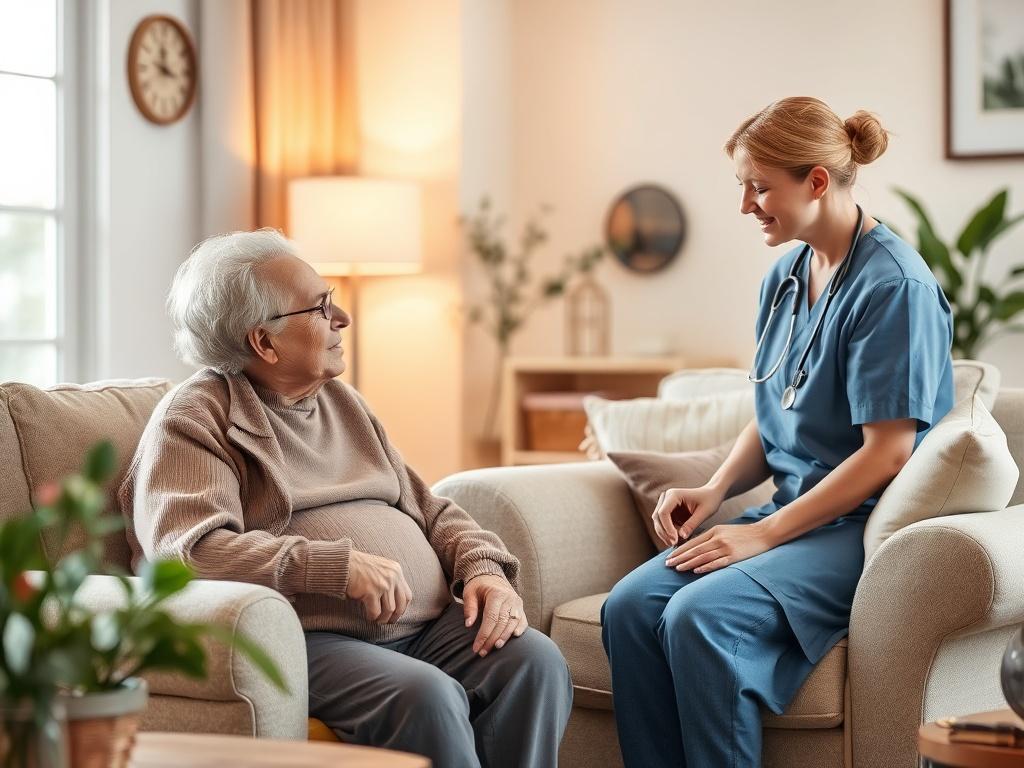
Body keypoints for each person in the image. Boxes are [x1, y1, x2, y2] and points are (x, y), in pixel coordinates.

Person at [120, 229, 572, 768]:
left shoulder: (341, 401)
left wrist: (484, 569)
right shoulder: (197, 416)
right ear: (264, 342)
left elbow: (431, 510)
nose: (343, 320)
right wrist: (335, 568)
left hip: (422, 627)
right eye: (320, 307)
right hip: (306, 639)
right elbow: (188, 552)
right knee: (424, 698)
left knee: (535, 660)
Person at [600, 96, 954, 767]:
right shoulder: (784, 278)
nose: (745, 206)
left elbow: (887, 452)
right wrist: (713, 490)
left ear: (817, 181)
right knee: (629, 607)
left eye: (759, 188)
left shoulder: (894, 287)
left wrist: (760, 533)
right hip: (791, 514)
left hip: (860, 529)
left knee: (700, 617)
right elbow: (775, 410)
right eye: (743, 186)